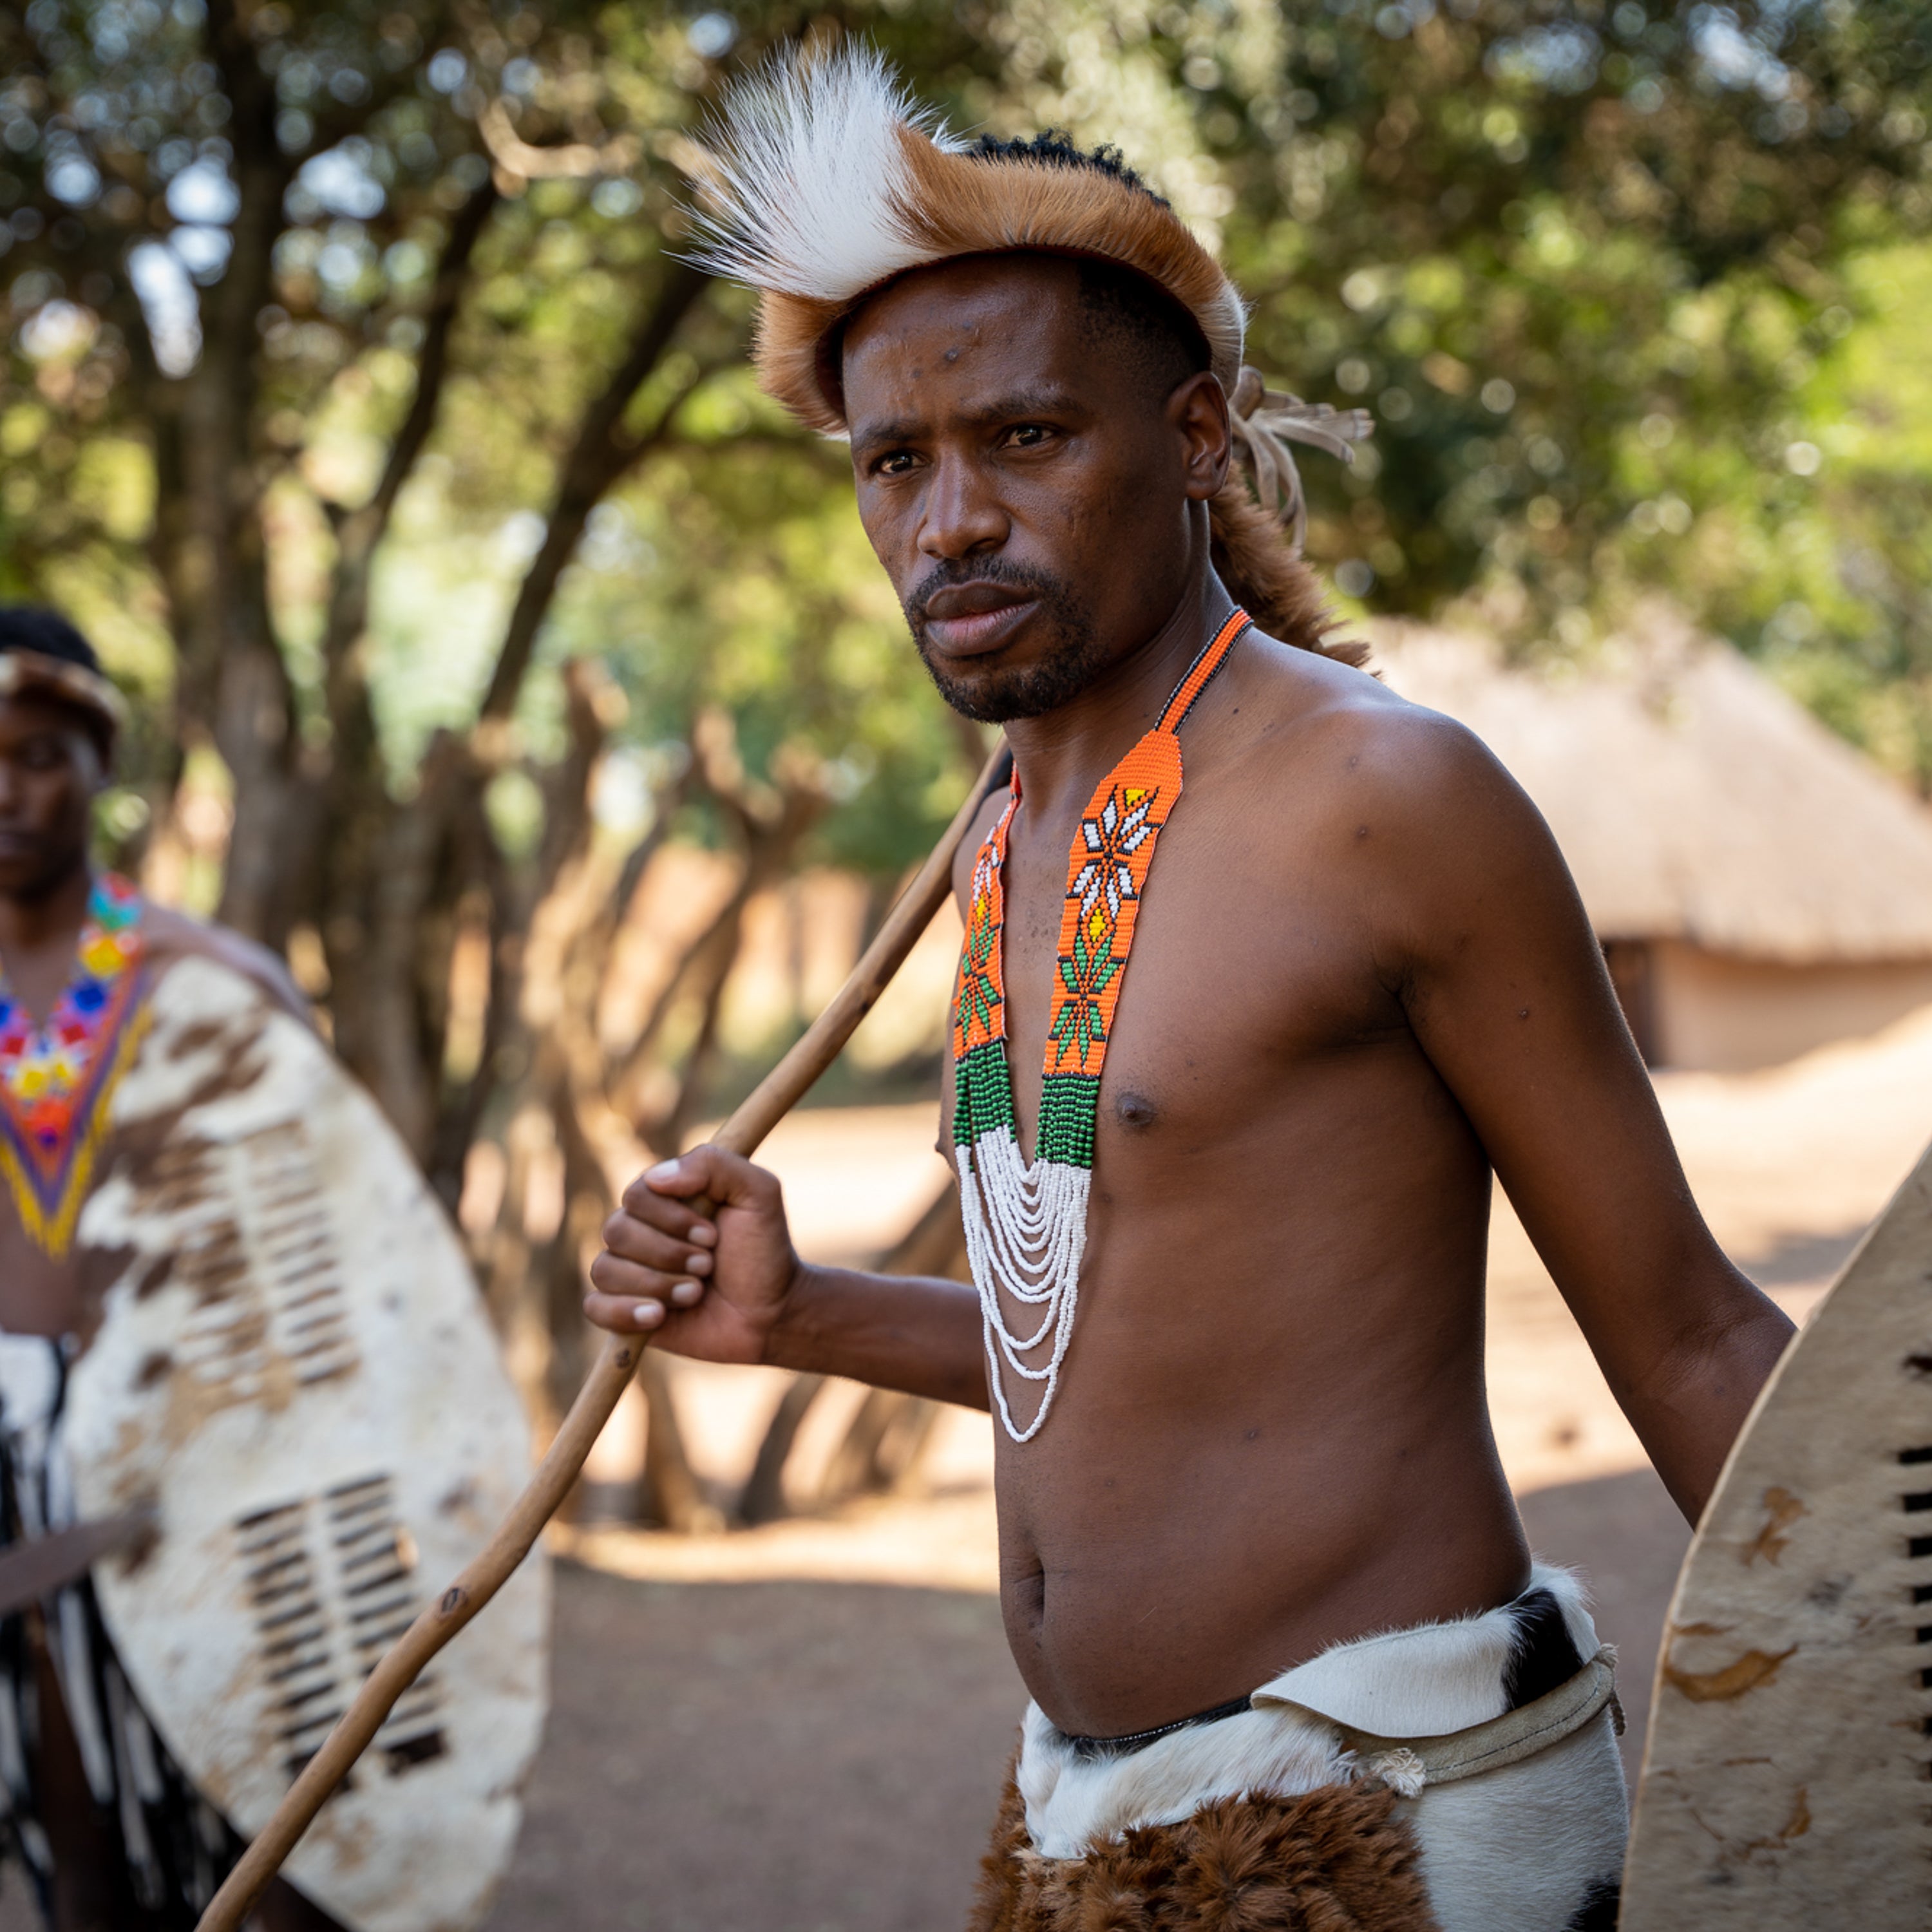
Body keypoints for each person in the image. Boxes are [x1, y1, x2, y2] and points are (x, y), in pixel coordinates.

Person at [587, 48, 1795, 1932]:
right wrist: (803, 1312)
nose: (949, 521)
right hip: (1080, 1829)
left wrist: (1882, 1703)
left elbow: (1694, 1333)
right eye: (895, 463)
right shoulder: (989, 841)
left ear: (1197, 435)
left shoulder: (1384, 799)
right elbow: (1109, 1346)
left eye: (1027, 440)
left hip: (1405, 1824)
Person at [0, 605, 336, 1931]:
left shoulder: (207, 984)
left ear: (98, 766)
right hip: (17, 1497)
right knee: (77, 1860)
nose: (4, 788)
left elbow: (320, 1277)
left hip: (210, 1464)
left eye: (35, 753)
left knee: (280, 1861)